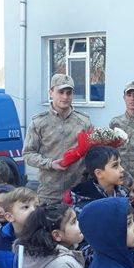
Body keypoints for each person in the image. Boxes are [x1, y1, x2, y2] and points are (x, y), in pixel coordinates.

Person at [24, 74, 93, 203]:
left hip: (78, 192)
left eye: (69, 93)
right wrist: (50, 164)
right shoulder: (39, 122)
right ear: (51, 92)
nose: (65, 97)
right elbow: (28, 154)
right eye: (61, 92)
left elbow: (91, 153)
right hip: (50, 193)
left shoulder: (84, 121)